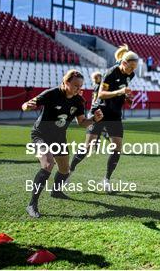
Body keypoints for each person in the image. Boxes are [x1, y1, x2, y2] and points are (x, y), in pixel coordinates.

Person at [21, 70, 103, 218]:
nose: (79, 88)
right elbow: (26, 105)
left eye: (81, 86)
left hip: (59, 138)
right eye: (76, 85)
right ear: (66, 82)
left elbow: (83, 123)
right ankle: (32, 204)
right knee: (47, 164)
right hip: (40, 135)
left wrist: (94, 119)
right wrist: (27, 106)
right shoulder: (51, 93)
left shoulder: (78, 101)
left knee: (65, 170)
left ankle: (56, 191)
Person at [69, 45, 138, 192]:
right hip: (100, 112)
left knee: (117, 147)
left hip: (114, 114)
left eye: (134, 68)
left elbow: (121, 91)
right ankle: (68, 171)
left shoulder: (130, 75)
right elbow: (101, 94)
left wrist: (126, 98)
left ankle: (106, 180)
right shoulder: (111, 72)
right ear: (123, 63)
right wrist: (120, 91)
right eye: (131, 67)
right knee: (87, 147)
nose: (132, 71)